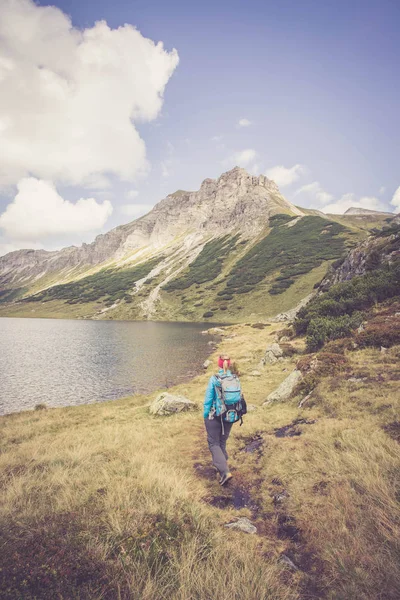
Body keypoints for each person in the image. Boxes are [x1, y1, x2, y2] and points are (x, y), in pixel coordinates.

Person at [203, 354, 235, 486]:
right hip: (231, 415)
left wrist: (206, 415)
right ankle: (222, 468)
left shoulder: (214, 379)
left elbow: (208, 400)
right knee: (222, 441)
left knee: (213, 443)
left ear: (219, 364)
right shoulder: (234, 378)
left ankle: (225, 471)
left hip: (216, 415)